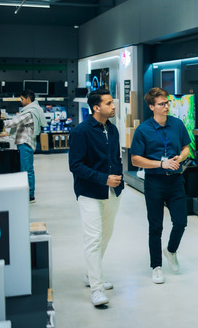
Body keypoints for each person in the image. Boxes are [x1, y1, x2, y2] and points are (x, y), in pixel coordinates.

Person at [68, 89, 123, 307]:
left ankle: (91, 274)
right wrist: (103, 179)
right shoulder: (81, 131)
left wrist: (117, 180)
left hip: (112, 192)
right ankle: (96, 288)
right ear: (96, 107)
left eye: (113, 102)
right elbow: (76, 166)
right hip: (90, 193)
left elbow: (115, 157)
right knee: (93, 238)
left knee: (105, 237)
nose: (114, 106)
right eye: (109, 103)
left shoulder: (113, 129)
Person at [130, 87, 191, 285]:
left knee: (181, 222)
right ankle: (156, 266)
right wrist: (160, 163)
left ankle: (171, 251)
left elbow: (186, 148)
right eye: (161, 104)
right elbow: (136, 159)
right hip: (154, 182)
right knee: (155, 227)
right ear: (151, 107)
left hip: (175, 180)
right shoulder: (143, 130)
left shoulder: (177, 124)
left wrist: (179, 158)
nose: (166, 106)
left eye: (167, 103)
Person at [3, 89, 47, 203]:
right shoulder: (35, 109)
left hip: (25, 143)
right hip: (28, 143)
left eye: (22, 99)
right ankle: (29, 194)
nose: (21, 101)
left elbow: (14, 122)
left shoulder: (29, 112)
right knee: (28, 169)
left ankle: (29, 196)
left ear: (28, 99)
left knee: (26, 170)